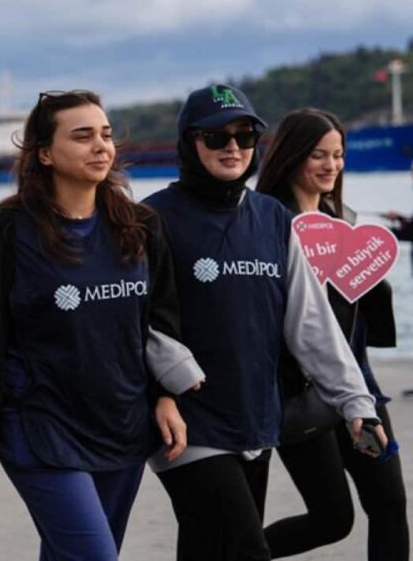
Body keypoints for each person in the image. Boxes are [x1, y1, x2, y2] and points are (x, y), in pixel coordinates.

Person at [0, 90, 204, 560]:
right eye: (82, 136)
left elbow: (160, 324)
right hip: (39, 427)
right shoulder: (4, 236)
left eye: (106, 135)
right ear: (45, 154)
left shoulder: (139, 227)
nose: (100, 146)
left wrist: (165, 396)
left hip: (121, 423)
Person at [142, 84, 386, 561]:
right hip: (189, 424)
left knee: (209, 550)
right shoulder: (153, 218)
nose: (233, 147)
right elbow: (135, 319)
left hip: (256, 417)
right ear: (190, 143)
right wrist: (167, 383)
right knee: (247, 548)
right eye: (217, 137)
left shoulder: (273, 218)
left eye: (246, 135)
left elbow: (311, 322)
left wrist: (356, 403)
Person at [255, 108, 408, 560]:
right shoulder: (266, 223)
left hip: (360, 384)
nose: (331, 165)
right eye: (318, 154)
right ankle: (234, 552)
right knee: (332, 520)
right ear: (292, 155)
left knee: (389, 504)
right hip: (301, 393)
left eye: (338, 154)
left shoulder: (343, 220)